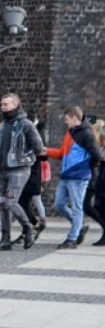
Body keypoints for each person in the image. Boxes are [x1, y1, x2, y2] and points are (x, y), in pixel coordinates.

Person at [0, 93, 46, 250]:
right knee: (3, 204)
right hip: (3, 169)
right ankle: (5, 239)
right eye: (2, 104)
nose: (2, 107)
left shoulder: (26, 124)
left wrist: (24, 158)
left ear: (15, 104)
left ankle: (29, 228)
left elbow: (38, 147)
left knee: (11, 202)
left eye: (6, 104)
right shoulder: (4, 125)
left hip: (19, 170)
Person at [49, 106, 102, 248]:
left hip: (78, 177)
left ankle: (72, 238)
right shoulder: (70, 132)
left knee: (77, 207)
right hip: (67, 175)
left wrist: (85, 168)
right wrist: (47, 151)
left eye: (67, 119)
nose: (65, 122)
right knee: (59, 204)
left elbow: (96, 155)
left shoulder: (86, 134)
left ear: (74, 118)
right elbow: (63, 153)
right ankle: (79, 226)